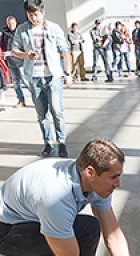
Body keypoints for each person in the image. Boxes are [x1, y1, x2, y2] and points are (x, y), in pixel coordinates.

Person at [0, 139, 140, 256]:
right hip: (8, 230)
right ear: (91, 172)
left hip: (29, 221)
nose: (118, 184)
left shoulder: (91, 182)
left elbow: (113, 233)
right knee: (87, 229)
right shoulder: (55, 199)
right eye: (113, 177)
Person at [11, 0, 72, 158]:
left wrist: (68, 73)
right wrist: (26, 55)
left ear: (42, 12)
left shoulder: (53, 28)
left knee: (57, 111)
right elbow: (15, 50)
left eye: (36, 14)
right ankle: (48, 143)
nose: (33, 18)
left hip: (53, 76)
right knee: (42, 113)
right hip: (34, 77)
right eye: (30, 15)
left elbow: (65, 51)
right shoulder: (22, 29)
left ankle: (62, 142)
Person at [1, 16, 26, 107]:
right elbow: (3, 46)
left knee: (27, 81)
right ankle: (21, 100)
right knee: (16, 83)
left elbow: (23, 46)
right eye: (9, 24)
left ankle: (38, 99)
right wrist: (4, 54)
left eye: (12, 23)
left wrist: (11, 52)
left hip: (21, 61)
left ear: (15, 23)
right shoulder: (4, 34)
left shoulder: (20, 32)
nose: (11, 25)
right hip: (11, 62)